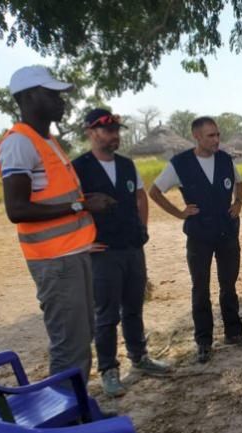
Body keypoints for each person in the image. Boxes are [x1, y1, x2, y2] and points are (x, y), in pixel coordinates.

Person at [0, 66, 116, 382]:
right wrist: (81, 204)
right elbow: (17, 209)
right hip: (54, 261)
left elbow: (54, 197)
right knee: (70, 345)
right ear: (28, 97)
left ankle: (78, 414)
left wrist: (83, 200)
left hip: (72, 254)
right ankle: (68, 423)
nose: (62, 101)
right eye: (52, 95)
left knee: (83, 334)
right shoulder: (19, 143)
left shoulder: (46, 140)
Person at [72, 109, 170, 397]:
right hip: (102, 251)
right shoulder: (78, 168)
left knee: (134, 306)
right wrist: (82, 242)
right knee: (106, 314)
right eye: (109, 130)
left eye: (117, 130)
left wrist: (143, 228)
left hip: (132, 247)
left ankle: (140, 357)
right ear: (91, 132)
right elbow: (69, 207)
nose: (115, 135)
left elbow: (141, 195)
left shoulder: (127, 165)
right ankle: (108, 369)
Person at [149, 117, 242, 363]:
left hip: (227, 232)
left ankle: (234, 332)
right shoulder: (180, 164)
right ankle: (204, 342)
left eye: (218, 134)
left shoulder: (226, 159)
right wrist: (179, 213)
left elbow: (239, 183)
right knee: (201, 289)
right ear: (196, 136)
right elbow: (154, 192)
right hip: (199, 235)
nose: (216, 139)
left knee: (229, 285)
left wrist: (238, 202)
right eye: (210, 136)